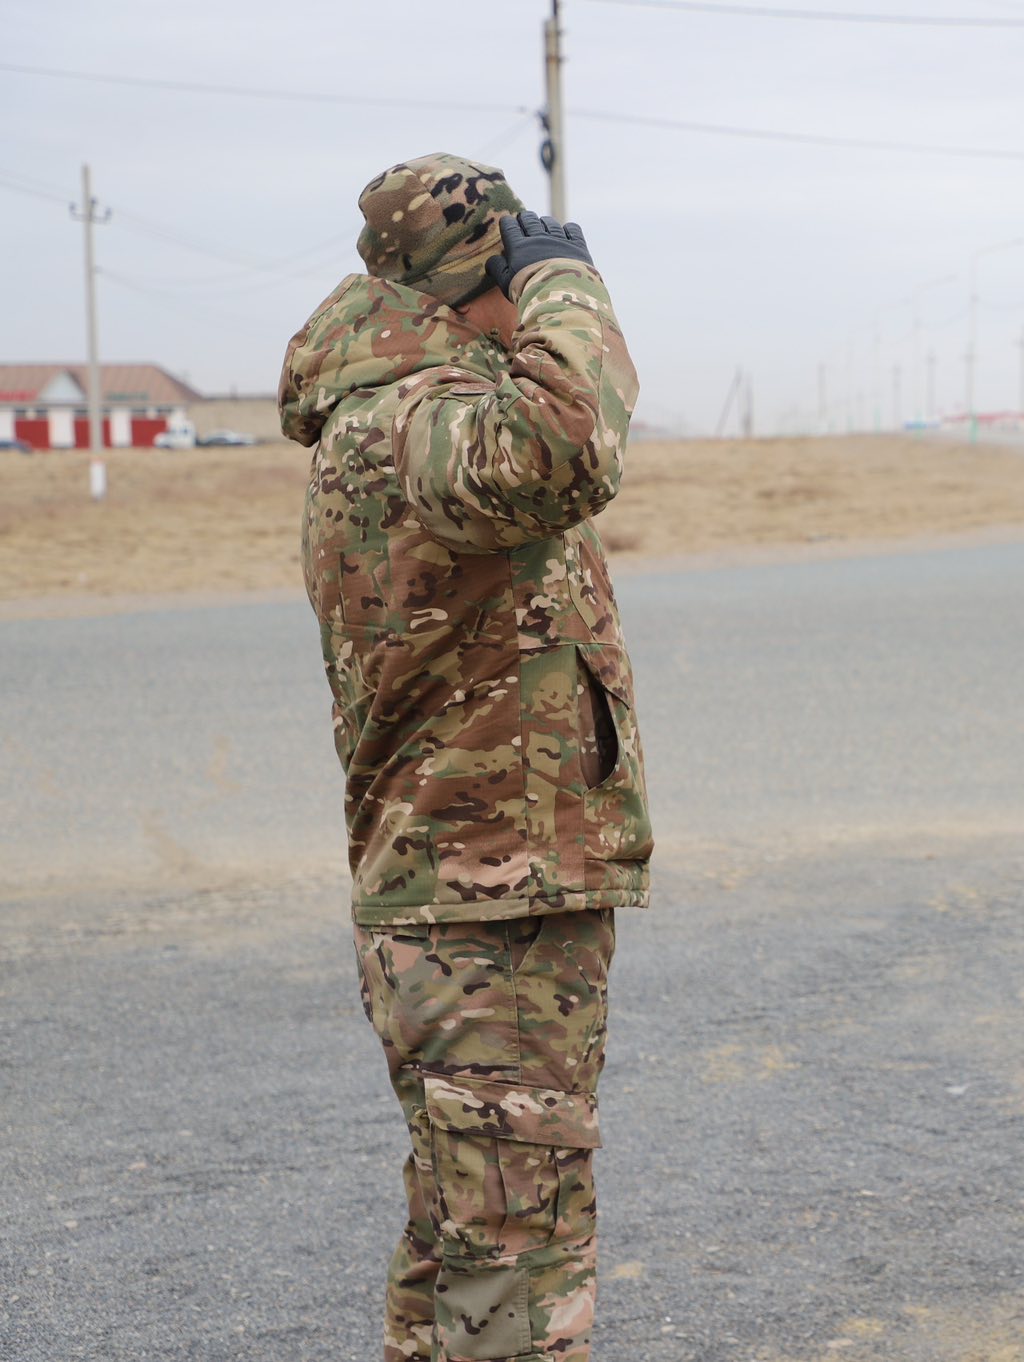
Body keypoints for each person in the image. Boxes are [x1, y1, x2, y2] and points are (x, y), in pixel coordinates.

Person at [279, 154, 651, 1362]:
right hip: (482, 900)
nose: (529, 302)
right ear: (468, 281)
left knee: (464, 1228)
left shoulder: (394, 409)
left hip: (470, 892)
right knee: (514, 1250)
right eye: (513, 273)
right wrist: (568, 288)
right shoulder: (420, 416)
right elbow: (568, 447)